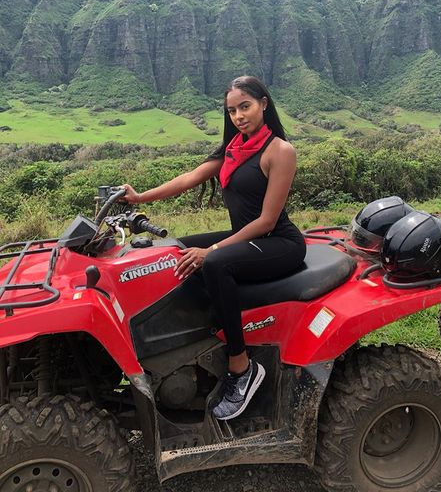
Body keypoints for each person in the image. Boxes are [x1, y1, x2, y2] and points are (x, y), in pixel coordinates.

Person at [122, 76, 306, 420]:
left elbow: (266, 221)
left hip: (278, 242)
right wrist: (138, 198)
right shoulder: (233, 149)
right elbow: (187, 179)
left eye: (245, 106)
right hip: (247, 237)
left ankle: (242, 366)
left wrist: (214, 249)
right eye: (232, 110)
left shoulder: (280, 151)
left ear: (264, 103)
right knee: (172, 249)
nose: (238, 116)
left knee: (214, 263)